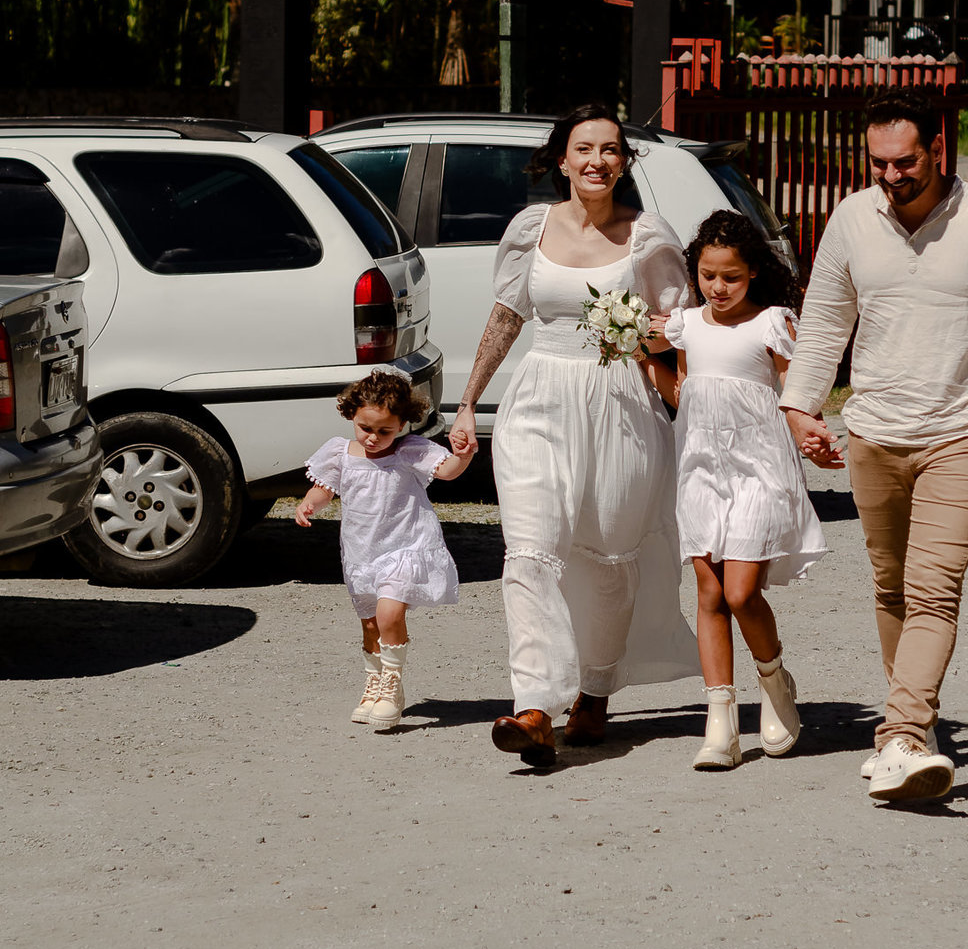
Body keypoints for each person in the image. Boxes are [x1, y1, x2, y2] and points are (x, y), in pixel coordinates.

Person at [781, 88, 968, 802]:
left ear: (938, 148)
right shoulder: (851, 219)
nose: (893, 175)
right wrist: (799, 408)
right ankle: (918, 727)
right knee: (893, 584)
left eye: (906, 161)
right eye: (880, 163)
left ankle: (899, 735)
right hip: (874, 430)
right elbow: (824, 320)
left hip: (962, 431)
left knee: (934, 589)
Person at [448, 104, 697, 770]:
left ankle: (595, 688)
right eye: (583, 148)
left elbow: (679, 334)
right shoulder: (531, 228)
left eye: (610, 149)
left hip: (621, 405)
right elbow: (506, 315)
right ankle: (534, 705)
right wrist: (469, 401)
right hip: (539, 402)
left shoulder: (650, 237)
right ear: (561, 158)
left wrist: (641, 333)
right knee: (531, 551)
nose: (597, 160)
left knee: (607, 553)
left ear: (623, 160)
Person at [661, 211, 826, 771]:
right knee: (708, 593)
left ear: (753, 271)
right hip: (701, 467)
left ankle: (775, 682)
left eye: (730, 276)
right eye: (708, 275)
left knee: (739, 593)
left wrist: (815, 436)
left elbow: (797, 393)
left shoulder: (772, 324)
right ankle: (721, 723)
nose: (718, 287)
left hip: (758, 468)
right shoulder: (686, 326)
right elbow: (685, 394)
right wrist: (638, 358)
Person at [297, 368, 476, 732]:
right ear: (352, 415)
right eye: (366, 428)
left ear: (403, 425)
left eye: (385, 431)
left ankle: (392, 687)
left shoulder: (410, 453)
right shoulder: (340, 454)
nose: (374, 438)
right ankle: (374, 682)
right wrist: (309, 503)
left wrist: (464, 454)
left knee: (390, 613)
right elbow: (324, 488)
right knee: (369, 624)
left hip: (406, 546)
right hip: (362, 551)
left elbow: (448, 471)